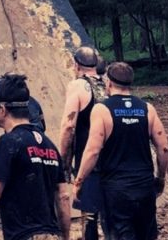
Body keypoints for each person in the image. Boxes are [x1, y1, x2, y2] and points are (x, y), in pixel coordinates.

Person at [73, 62, 168, 240]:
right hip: (144, 185)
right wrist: (161, 177)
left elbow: (93, 151)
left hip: (116, 190)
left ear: (108, 82)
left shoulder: (102, 110)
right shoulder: (147, 109)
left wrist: (79, 181)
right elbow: (163, 148)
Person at [0, 74, 70, 240]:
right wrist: (65, 235)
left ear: (2, 109)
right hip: (52, 234)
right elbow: (63, 196)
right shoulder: (49, 145)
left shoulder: (8, 143)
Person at [56, 47, 106, 240]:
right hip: (112, 155)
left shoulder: (78, 85)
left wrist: (64, 159)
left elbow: (69, 125)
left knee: (89, 214)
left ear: (76, 64)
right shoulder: (109, 83)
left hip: (88, 157)